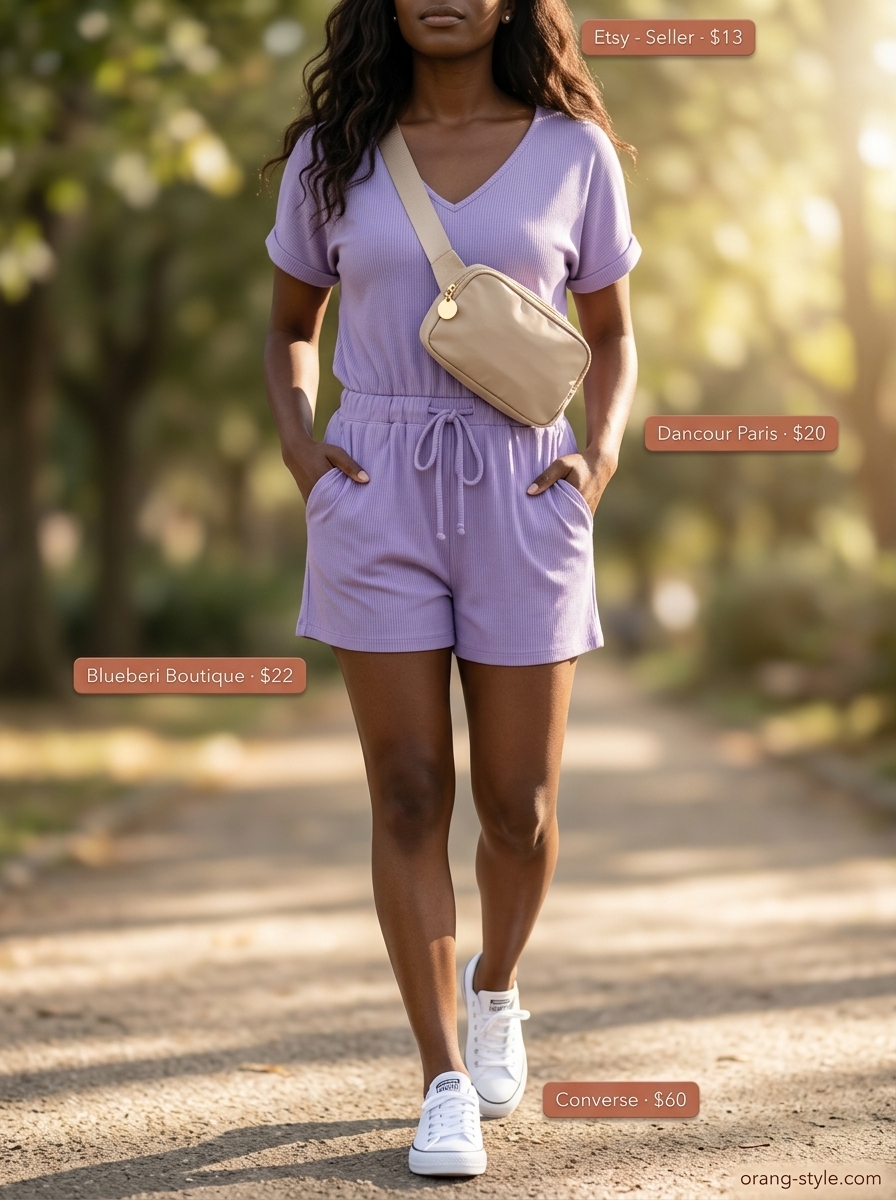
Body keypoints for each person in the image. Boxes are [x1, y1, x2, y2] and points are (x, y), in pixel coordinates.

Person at [263, 0, 639, 1177]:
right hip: (375, 484)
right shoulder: (332, 159)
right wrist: (301, 451)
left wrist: (600, 458)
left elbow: (612, 334)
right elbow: (287, 327)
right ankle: (439, 1082)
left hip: (526, 490)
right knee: (410, 790)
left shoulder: (572, 152)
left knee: (516, 806)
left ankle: (496, 987)